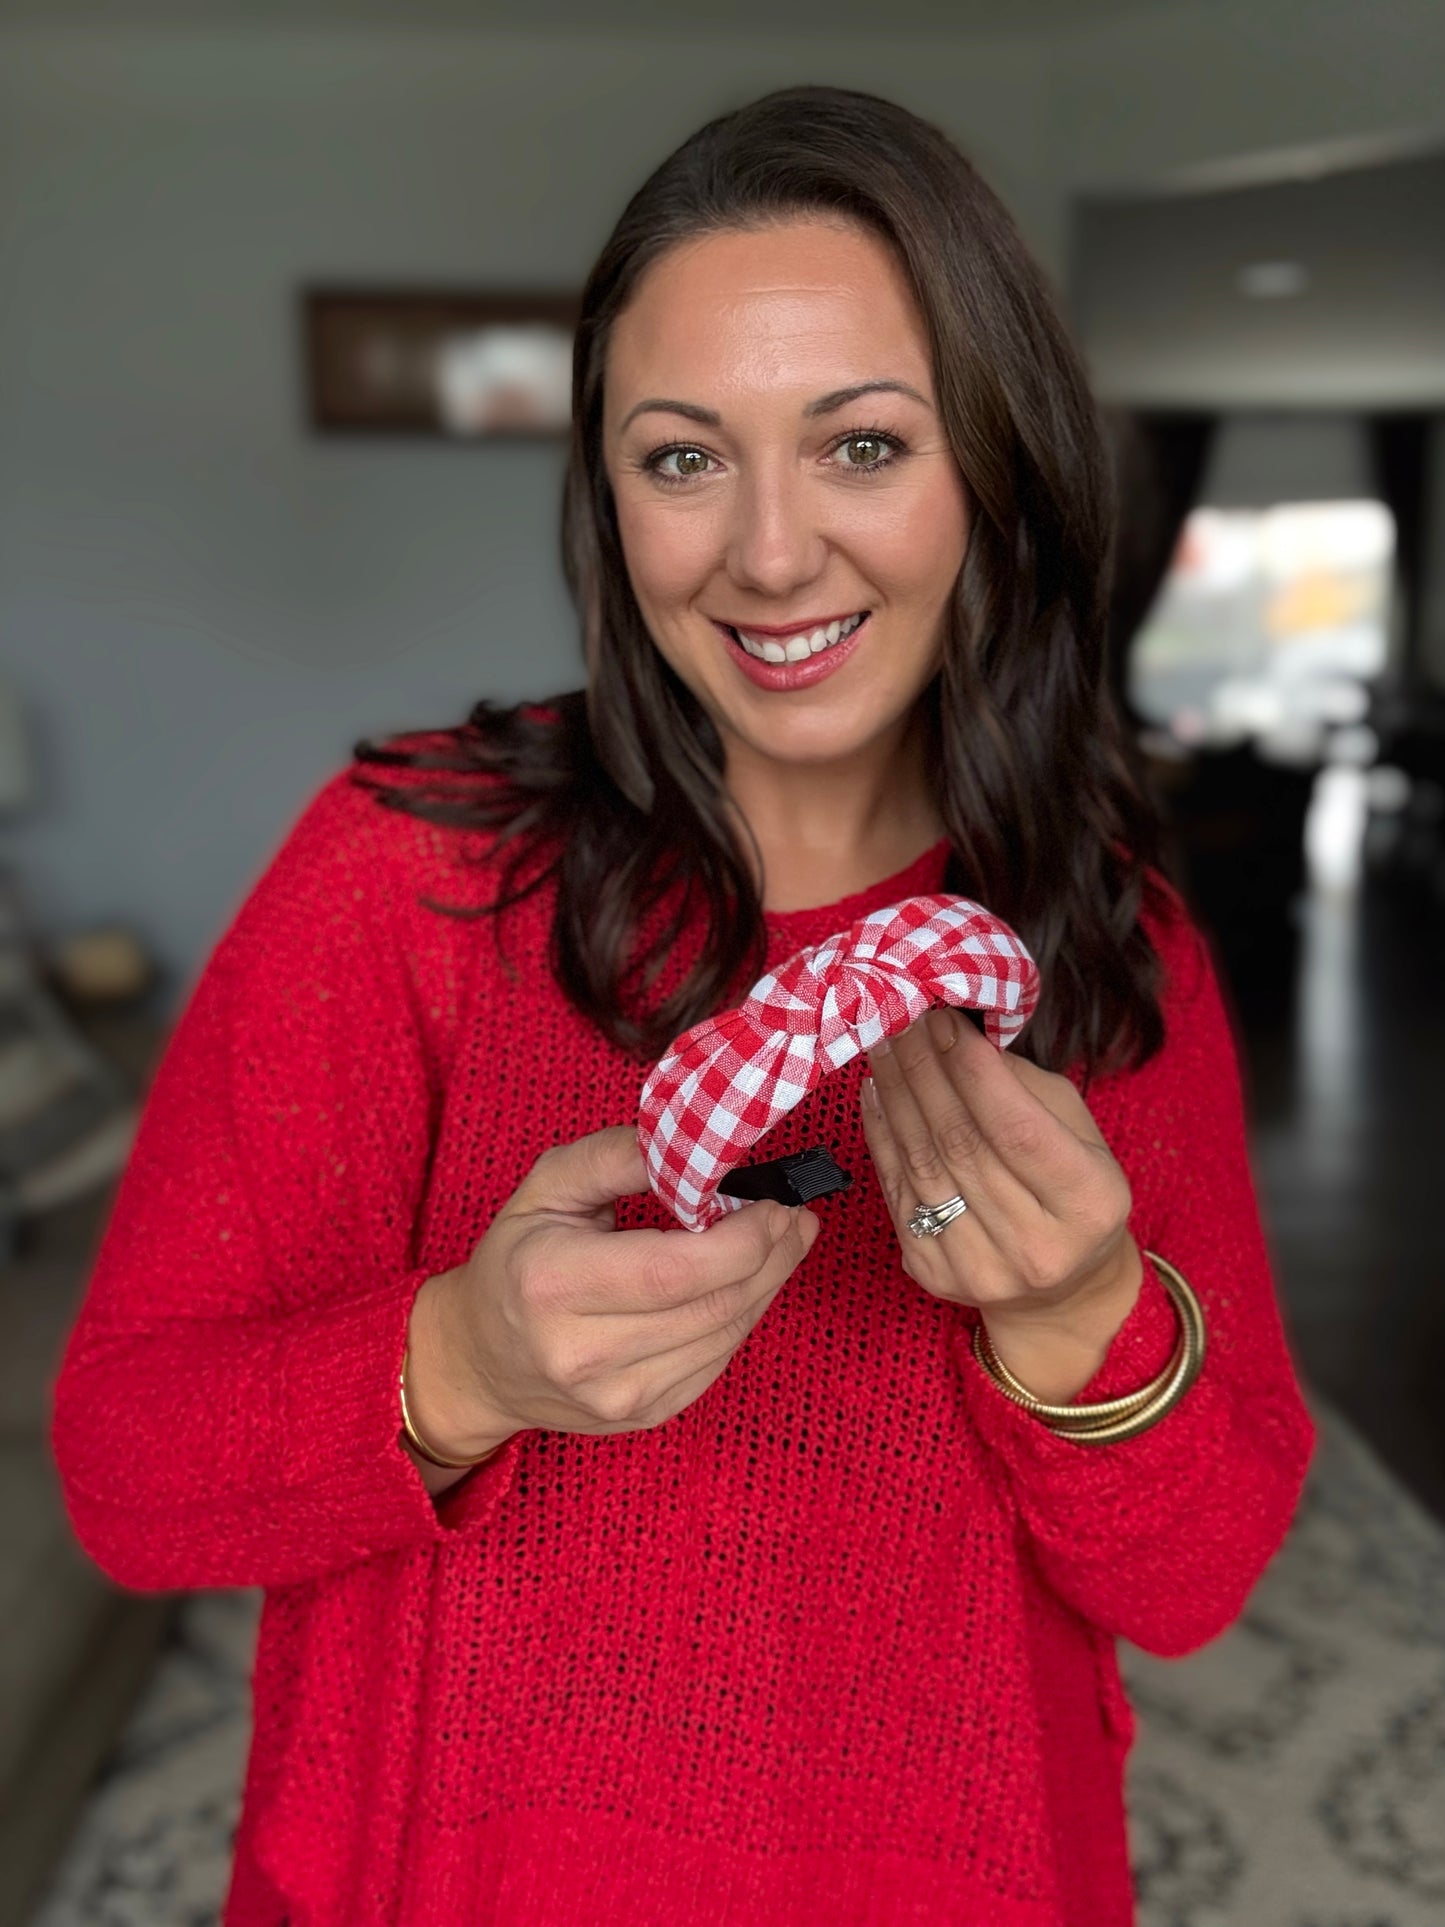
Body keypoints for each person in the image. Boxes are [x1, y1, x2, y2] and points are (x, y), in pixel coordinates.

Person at [51, 83, 1315, 1927]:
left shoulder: (1102, 935)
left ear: (996, 460)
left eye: (863, 446)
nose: (772, 553)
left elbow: (1192, 1580)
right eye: (682, 456)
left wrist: (1077, 1318)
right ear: (607, 492)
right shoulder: (407, 875)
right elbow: (128, 1475)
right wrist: (464, 1366)